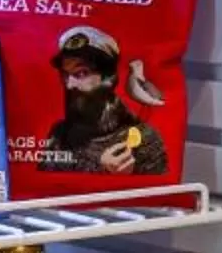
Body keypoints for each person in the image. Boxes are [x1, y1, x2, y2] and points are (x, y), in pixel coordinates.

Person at [40, 24, 168, 177]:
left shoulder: (144, 138)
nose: (69, 84)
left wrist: (128, 175)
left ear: (108, 78)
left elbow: (155, 195)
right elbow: (47, 186)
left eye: (82, 73)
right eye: (65, 74)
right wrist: (100, 169)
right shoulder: (59, 134)